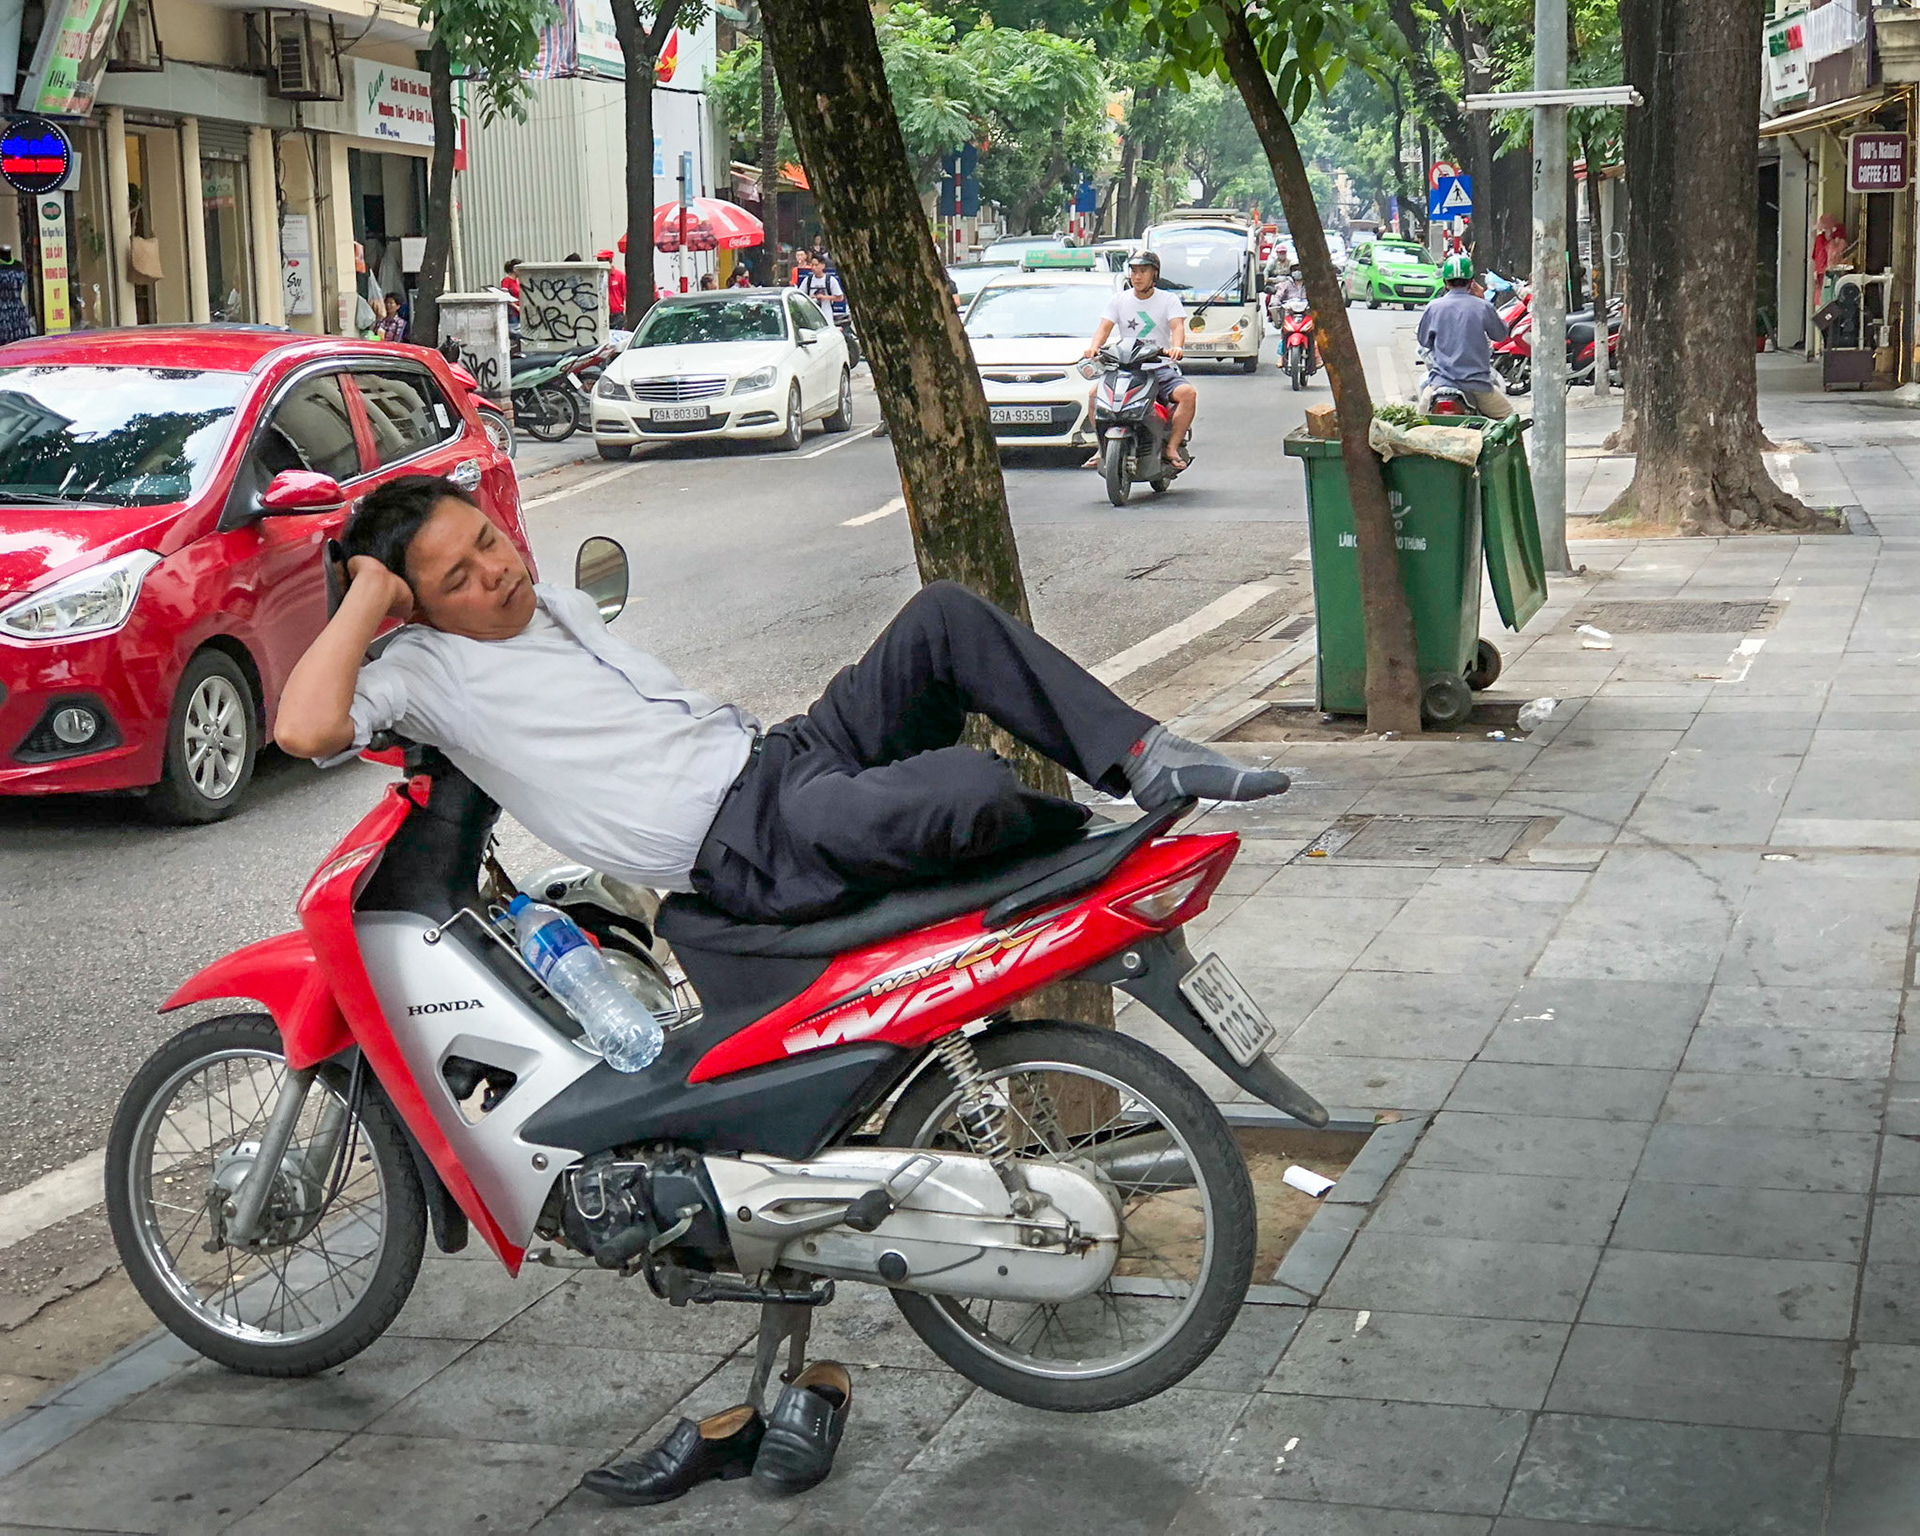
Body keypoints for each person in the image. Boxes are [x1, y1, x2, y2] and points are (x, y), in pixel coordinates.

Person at [275, 477, 1291, 927]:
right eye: (456, 578)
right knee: (960, 791)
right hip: (745, 846)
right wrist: (372, 590)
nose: (493, 573)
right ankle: (1108, 841)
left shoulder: (552, 601)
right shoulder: (423, 673)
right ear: (420, 606)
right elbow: (305, 726)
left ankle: (1147, 759)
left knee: (940, 618)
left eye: (486, 541)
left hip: (785, 756)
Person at [1081, 250, 1196, 472]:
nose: (1137, 276)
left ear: (1155, 274)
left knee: (1188, 395)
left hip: (1158, 367)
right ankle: (1101, 448)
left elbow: (1177, 327)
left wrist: (1177, 347)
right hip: (1125, 368)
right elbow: (1104, 328)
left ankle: (1171, 447)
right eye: (1134, 271)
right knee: (1094, 394)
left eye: (1143, 271)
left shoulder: (1168, 300)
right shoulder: (1119, 300)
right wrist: (1094, 348)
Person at [1415, 253, 1514, 419]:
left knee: (1417, 425)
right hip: (1478, 386)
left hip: (1439, 384)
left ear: (1445, 282)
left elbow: (1424, 340)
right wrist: (1483, 299)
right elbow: (1500, 335)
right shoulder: (1482, 307)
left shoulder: (1433, 307)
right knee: (1510, 419)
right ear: (1471, 282)